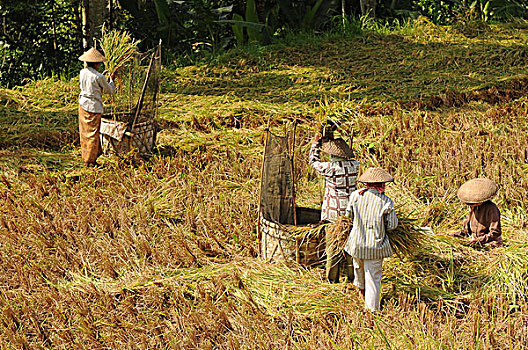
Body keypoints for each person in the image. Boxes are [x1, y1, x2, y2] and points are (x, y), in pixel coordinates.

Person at [344, 167, 398, 312]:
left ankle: (362, 297)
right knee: (373, 278)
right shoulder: (386, 201)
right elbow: (392, 225)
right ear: (382, 184)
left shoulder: (355, 195)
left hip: (356, 244)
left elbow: (348, 216)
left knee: (359, 271)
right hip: (375, 246)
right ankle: (371, 311)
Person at [309, 133, 359, 283]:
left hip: (333, 215)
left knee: (333, 247)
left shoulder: (330, 168)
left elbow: (313, 162)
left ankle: (332, 279)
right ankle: (352, 277)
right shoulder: (354, 166)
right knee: (351, 246)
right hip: (350, 213)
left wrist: (315, 145)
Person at [78, 47, 115, 167]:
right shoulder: (99, 77)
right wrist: (111, 80)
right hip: (93, 107)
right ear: (97, 63)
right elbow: (110, 90)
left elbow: (91, 82)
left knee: (85, 133)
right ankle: (90, 161)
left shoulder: (82, 72)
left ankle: (88, 156)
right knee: (93, 134)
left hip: (83, 105)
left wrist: (103, 77)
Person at [452, 178, 502, 247]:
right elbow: (466, 230)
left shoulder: (492, 209)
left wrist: (479, 240)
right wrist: (453, 235)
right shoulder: (474, 208)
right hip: (475, 242)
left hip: (490, 243)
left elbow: (495, 233)